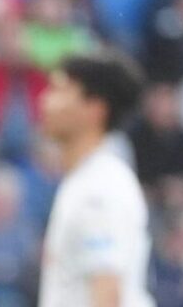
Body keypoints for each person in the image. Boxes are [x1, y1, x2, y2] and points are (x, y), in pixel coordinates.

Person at [38, 51, 153, 307]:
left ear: (95, 109)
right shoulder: (81, 181)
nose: (44, 101)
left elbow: (107, 291)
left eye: (60, 91)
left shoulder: (100, 189)